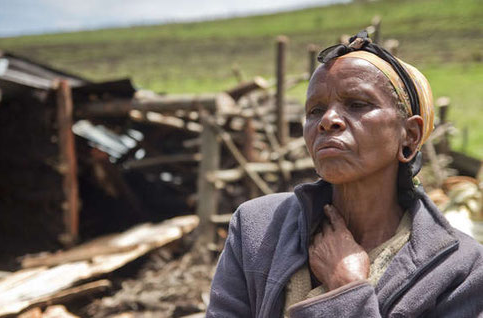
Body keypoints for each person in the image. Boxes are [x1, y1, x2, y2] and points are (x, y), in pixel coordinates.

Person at [206, 31, 483, 318]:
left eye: (357, 104)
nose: (328, 121)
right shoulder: (259, 228)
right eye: (315, 110)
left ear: (410, 137)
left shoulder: (459, 268)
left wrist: (346, 287)